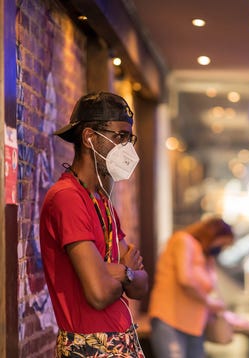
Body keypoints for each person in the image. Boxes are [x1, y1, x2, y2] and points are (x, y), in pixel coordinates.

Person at [40, 92, 148, 357]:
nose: (127, 148)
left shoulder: (102, 201)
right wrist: (125, 272)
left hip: (121, 343)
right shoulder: (67, 197)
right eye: (120, 137)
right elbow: (98, 293)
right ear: (90, 137)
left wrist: (118, 272)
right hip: (89, 348)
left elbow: (142, 286)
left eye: (129, 139)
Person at [148, 217, 234, 358]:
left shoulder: (206, 257)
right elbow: (185, 279)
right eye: (223, 243)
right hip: (170, 320)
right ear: (213, 235)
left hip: (195, 326)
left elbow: (212, 289)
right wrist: (209, 302)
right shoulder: (183, 241)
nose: (222, 249)